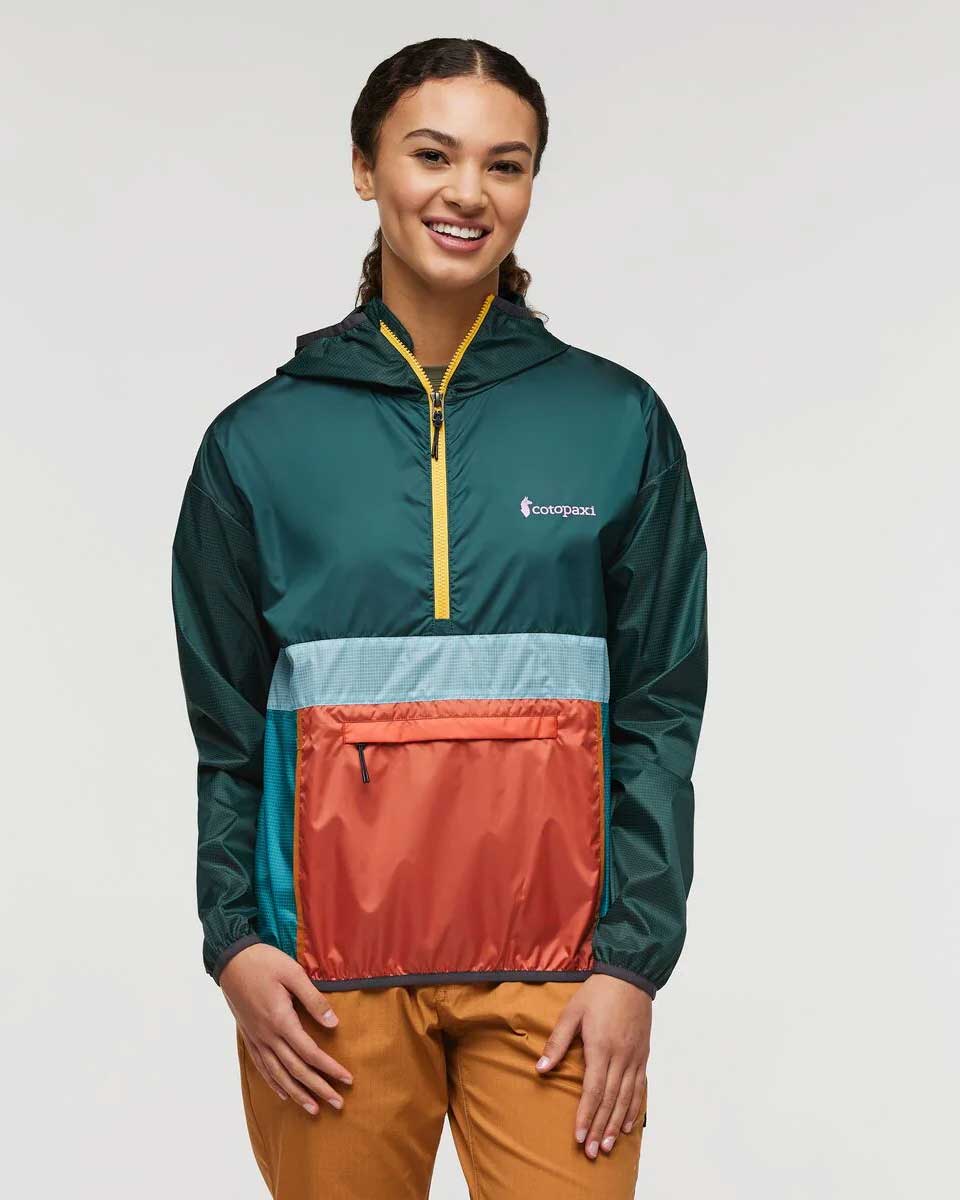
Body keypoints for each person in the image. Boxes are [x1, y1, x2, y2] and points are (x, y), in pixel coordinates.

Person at [171, 36, 709, 1200]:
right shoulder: (256, 445)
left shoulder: (616, 423)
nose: (469, 193)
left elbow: (661, 714)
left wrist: (632, 965)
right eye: (432, 155)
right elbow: (225, 733)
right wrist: (236, 944)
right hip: (325, 985)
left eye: (505, 165)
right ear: (365, 168)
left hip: (561, 980)